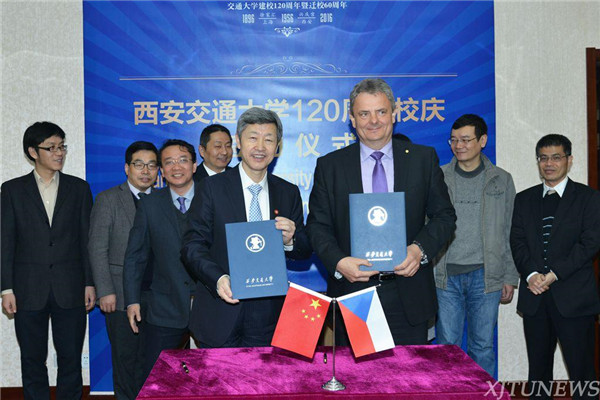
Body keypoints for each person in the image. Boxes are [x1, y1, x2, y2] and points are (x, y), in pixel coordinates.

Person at [306, 78, 456, 345]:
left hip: (408, 293)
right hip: (354, 294)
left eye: (381, 112)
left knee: (408, 382)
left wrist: (419, 250)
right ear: (352, 119)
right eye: (364, 113)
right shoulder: (331, 166)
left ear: (394, 114)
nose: (373, 121)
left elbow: (444, 216)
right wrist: (339, 262)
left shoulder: (422, 159)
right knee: (358, 383)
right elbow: (317, 226)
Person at [182, 107, 312, 348]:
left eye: (269, 139)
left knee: (263, 384)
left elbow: (304, 250)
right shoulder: (212, 188)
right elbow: (192, 245)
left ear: (277, 147)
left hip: (269, 316)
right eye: (253, 138)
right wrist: (218, 278)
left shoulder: (288, 192)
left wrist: (291, 240)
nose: (260, 147)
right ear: (239, 143)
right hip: (221, 306)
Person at [1, 121, 95, 400]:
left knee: (70, 361)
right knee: (32, 360)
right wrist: (6, 288)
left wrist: (90, 283)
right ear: (33, 151)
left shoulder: (78, 189)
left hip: (71, 288)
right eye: (51, 148)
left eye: (62, 146)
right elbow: (6, 242)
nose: (59, 153)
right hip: (28, 289)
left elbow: (86, 240)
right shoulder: (12, 190)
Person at [510, 134, 600, 400]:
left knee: (582, 373)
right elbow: (517, 242)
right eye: (544, 158)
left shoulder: (588, 198)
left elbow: (590, 243)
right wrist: (531, 274)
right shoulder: (524, 199)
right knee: (538, 375)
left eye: (556, 157)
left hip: (575, 300)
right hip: (535, 299)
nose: (549, 163)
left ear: (569, 160)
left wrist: (553, 274)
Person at [433, 114, 518, 377]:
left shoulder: (501, 179)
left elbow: (510, 231)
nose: (459, 146)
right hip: (445, 276)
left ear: (482, 141)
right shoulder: (439, 177)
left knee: (482, 347)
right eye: (454, 140)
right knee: (448, 346)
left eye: (466, 140)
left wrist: (509, 277)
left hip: (486, 275)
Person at [88, 141, 159, 399]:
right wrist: (104, 291)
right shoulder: (108, 199)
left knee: (150, 360)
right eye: (139, 165)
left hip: (156, 296)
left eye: (152, 165)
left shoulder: (163, 200)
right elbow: (97, 248)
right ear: (127, 168)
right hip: (118, 296)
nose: (145, 171)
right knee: (125, 360)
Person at [123, 139, 198, 379]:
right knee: (155, 377)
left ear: (195, 165)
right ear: (161, 172)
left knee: (213, 377)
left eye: (183, 160)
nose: (177, 166)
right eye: (169, 162)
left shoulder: (214, 196)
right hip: (164, 307)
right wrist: (132, 300)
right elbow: (136, 255)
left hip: (211, 306)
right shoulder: (150, 204)